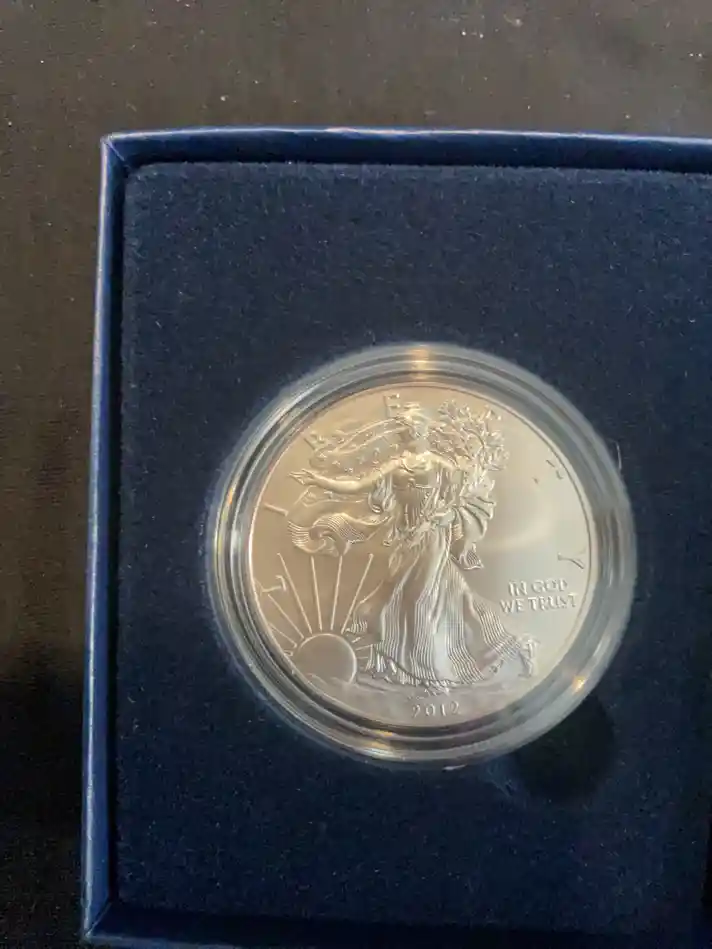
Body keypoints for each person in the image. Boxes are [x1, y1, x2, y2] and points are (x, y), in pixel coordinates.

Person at [290, 408, 535, 691]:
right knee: (400, 600)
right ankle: (406, 671)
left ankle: (432, 671)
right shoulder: (395, 466)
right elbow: (357, 485)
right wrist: (319, 480)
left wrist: (446, 516)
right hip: (405, 540)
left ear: (424, 429)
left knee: (419, 600)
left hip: (431, 537)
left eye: (414, 427)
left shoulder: (443, 466)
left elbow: (464, 498)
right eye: (405, 428)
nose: (409, 432)